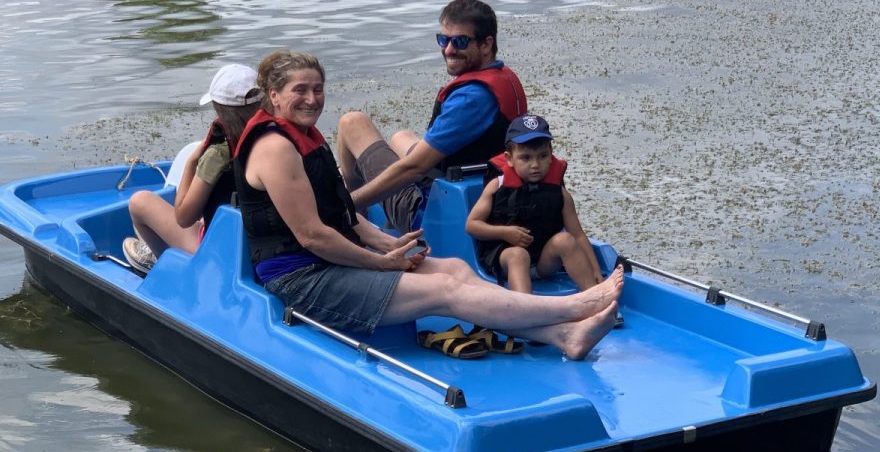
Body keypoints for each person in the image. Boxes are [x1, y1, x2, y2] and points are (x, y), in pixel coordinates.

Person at [234, 49, 622, 361]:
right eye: (299, 90)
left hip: (331, 261)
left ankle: (564, 336)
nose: (312, 99)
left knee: (454, 267)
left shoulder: (307, 137)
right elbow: (313, 236)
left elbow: (343, 216)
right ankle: (575, 307)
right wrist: (379, 262)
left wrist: (391, 245)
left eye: (317, 89)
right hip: (303, 279)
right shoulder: (275, 149)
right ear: (273, 95)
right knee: (443, 292)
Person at [335, 0, 528, 234]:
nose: (448, 50)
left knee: (352, 123)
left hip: (427, 208)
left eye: (460, 41)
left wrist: (342, 204)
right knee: (400, 136)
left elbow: (413, 169)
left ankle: (353, 217)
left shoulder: (470, 99)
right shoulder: (503, 76)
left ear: (486, 44)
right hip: (482, 183)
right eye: (443, 40)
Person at [123, 63, 262, 272]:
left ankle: (166, 265)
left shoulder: (218, 155)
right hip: (260, 245)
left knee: (139, 202)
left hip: (220, 252)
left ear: (219, 110)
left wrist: (192, 161)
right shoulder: (275, 139)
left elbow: (183, 218)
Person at [466, 114, 604, 295]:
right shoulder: (497, 186)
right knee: (518, 255)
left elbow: (577, 235)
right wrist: (505, 233)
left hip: (542, 262)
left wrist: (596, 271)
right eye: (526, 158)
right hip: (507, 259)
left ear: (550, 154)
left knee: (565, 240)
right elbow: (472, 225)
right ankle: (526, 311)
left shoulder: (559, 193)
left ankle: (597, 297)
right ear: (509, 159)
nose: (535, 164)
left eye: (543, 156)